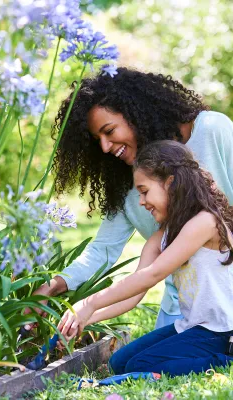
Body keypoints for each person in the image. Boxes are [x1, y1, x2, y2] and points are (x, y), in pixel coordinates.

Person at [25, 67, 233, 330]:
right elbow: (102, 250)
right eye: (97, 139)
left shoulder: (211, 131)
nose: (104, 146)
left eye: (109, 131)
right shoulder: (126, 184)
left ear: (136, 114)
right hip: (183, 304)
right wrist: (53, 286)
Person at [57, 141, 233, 376]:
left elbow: (153, 274)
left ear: (170, 183)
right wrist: (85, 319)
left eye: (144, 191)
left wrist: (89, 303)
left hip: (223, 331)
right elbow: (135, 292)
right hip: (194, 327)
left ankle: (226, 360)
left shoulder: (205, 222)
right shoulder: (163, 236)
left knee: (140, 366)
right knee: (119, 363)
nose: (141, 201)